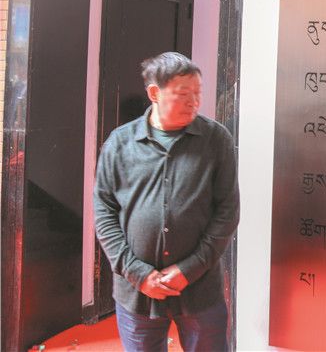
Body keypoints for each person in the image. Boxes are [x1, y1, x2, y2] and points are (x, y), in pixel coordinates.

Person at [94, 52, 239, 352]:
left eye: (198, 93)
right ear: (154, 93)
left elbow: (227, 212)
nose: (194, 102)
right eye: (183, 94)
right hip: (137, 292)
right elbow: (104, 212)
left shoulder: (216, 140)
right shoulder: (120, 143)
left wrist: (189, 269)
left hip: (200, 290)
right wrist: (137, 273)